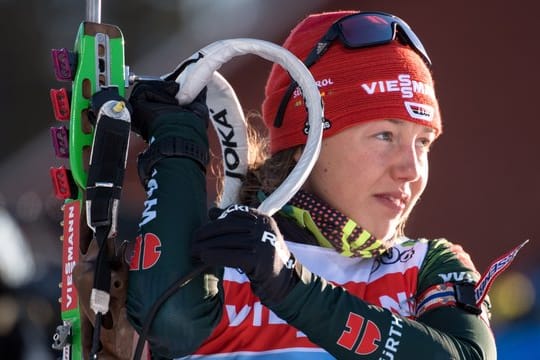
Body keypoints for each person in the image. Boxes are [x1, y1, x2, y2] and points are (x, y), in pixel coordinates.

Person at [126, 10, 497, 359]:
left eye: (423, 142)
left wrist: (289, 284)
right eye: (385, 135)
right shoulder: (221, 250)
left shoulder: (425, 265)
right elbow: (171, 322)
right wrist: (176, 143)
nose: (411, 169)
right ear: (310, 143)